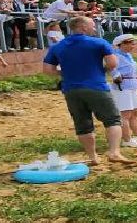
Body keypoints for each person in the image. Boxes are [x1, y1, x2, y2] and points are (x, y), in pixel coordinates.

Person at [42, 16, 126, 164]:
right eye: (92, 25)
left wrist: (66, 72)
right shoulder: (98, 42)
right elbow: (113, 63)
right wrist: (102, 69)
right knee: (112, 119)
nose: (94, 28)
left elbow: (48, 70)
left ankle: (93, 157)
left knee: (83, 125)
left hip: (71, 89)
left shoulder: (58, 46)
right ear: (82, 27)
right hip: (96, 86)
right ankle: (114, 152)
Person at [109, 34, 137, 148]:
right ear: (122, 44)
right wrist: (116, 76)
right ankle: (127, 139)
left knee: (134, 112)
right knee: (125, 114)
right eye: (131, 43)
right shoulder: (116, 56)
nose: (133, 46)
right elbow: (112, 69)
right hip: (122, 87)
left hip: (132, 86)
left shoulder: (128, 55)